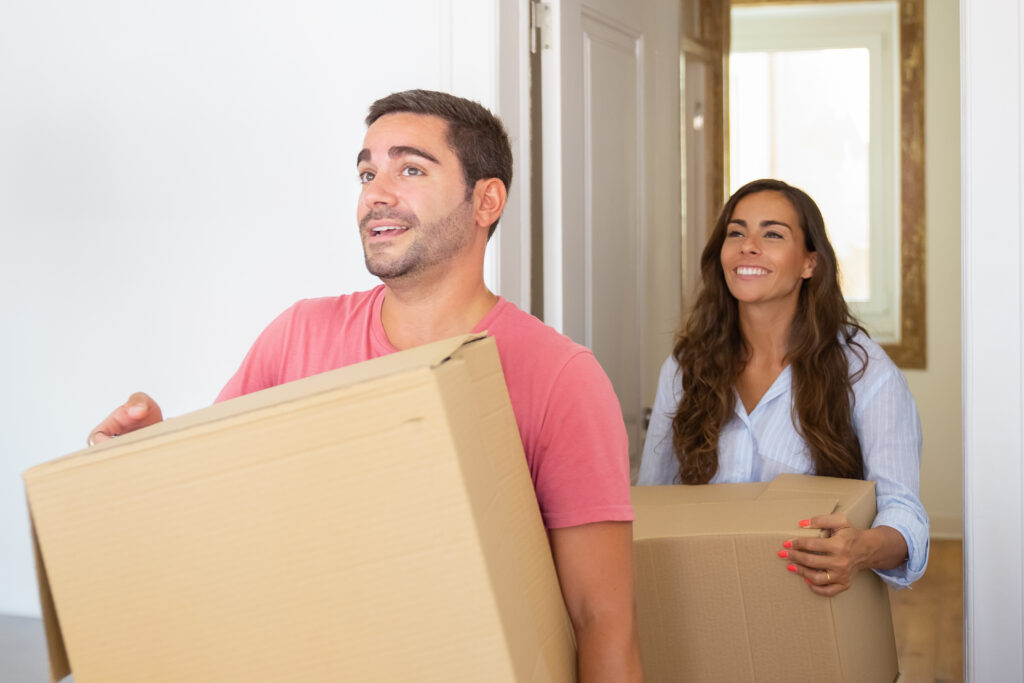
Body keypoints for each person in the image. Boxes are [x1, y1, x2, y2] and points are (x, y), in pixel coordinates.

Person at [89, 90, 643, 681]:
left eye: (409, 169)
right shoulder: (298, 335)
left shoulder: (560, 377)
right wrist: (144, 463)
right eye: (366, 172)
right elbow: (214, 501)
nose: (375, 193)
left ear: (486, 200)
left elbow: (601, 619)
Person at [638, 178, 928, 595]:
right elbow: (653, 498)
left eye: (772, 234)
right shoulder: (686, 368)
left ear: (810, 263)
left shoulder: (864, 372)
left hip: (810, 609)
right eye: (735, 232)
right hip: (701, 601)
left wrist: (861, 549)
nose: (748, 245)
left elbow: (906, 517)